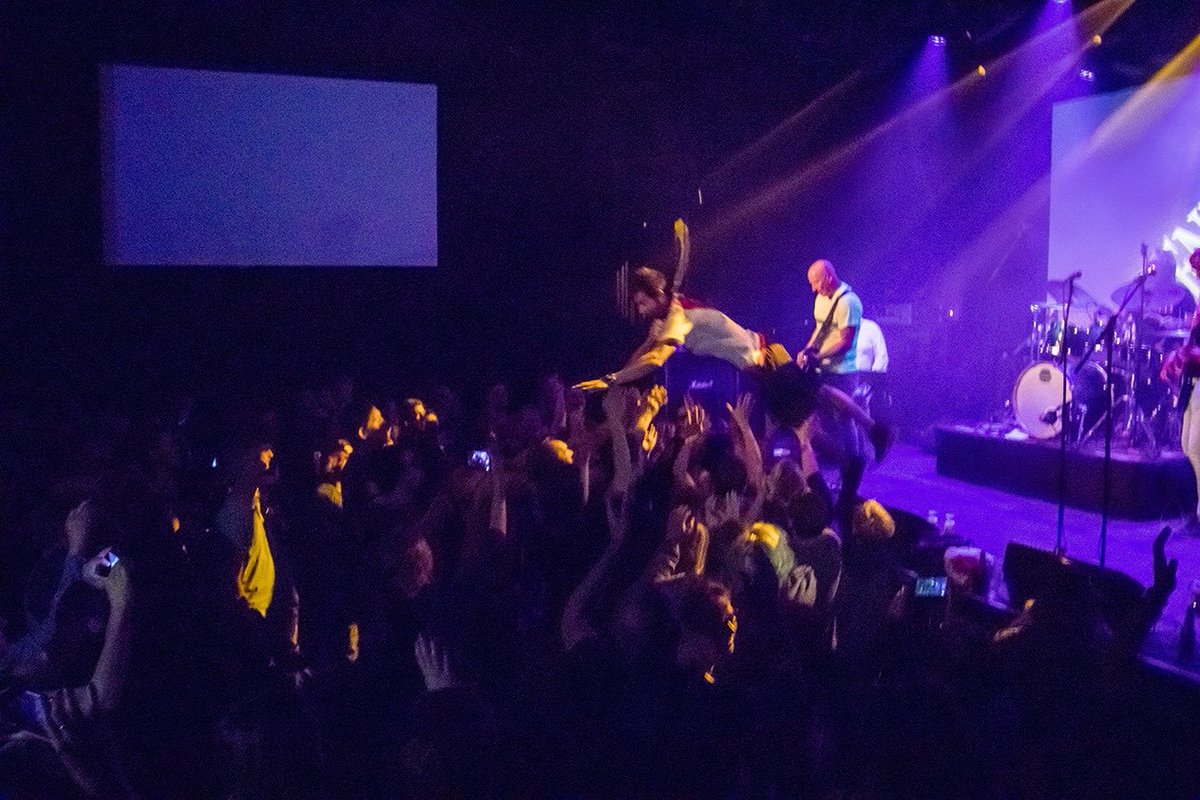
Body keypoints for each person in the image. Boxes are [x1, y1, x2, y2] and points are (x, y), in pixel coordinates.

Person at [1160, 248, 1200, 534]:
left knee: (1197, 446)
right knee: (1187, 445)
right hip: (1194, 381)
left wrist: (1188, 356)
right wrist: (1178, 358)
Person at [797, 259, 862, 397]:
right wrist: (806, 351)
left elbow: (846, 342)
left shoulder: (848, 302)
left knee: (841, 417)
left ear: (828, 277)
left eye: (816, 282)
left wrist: (819, 356)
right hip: (822, 370)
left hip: (842, 374)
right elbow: (819, 329)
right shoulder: (820, 298)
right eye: (811, 283)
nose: (813, 289)